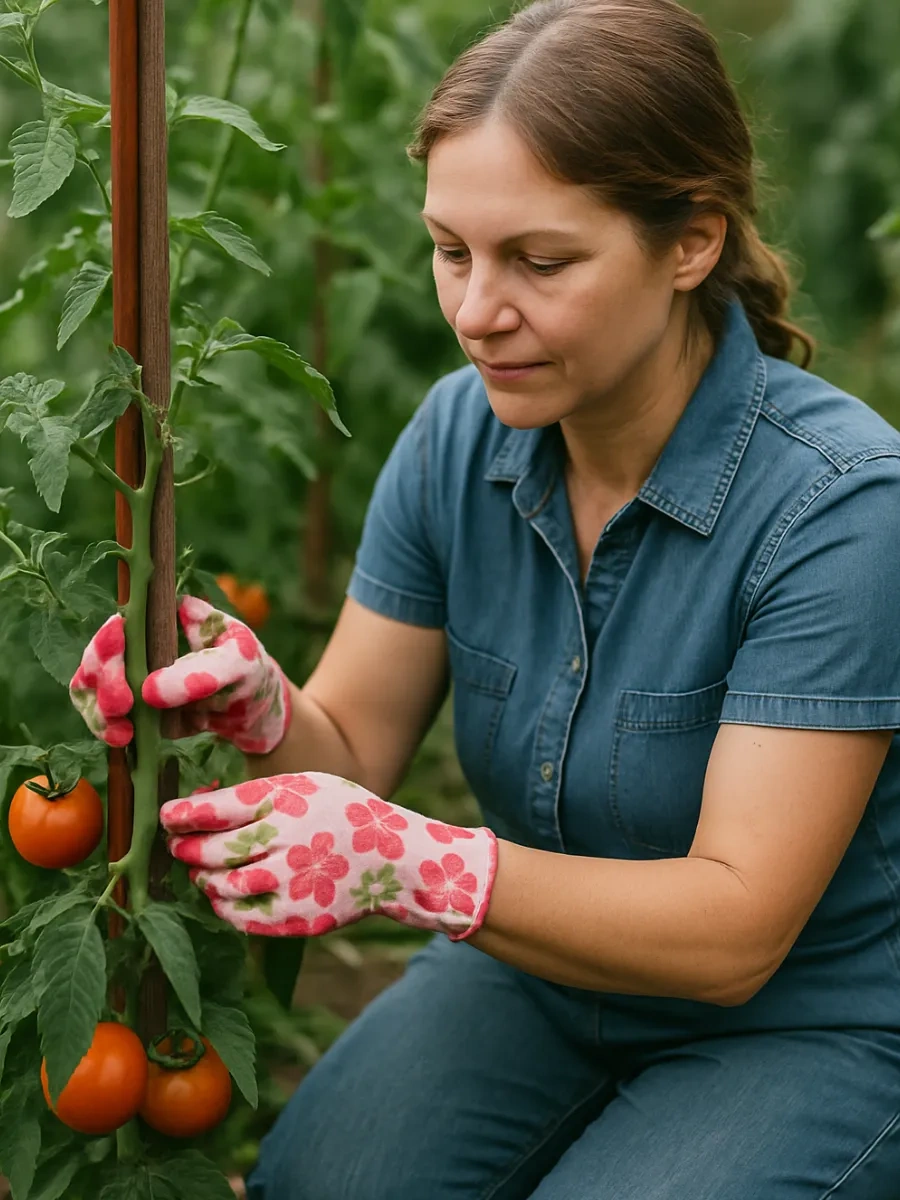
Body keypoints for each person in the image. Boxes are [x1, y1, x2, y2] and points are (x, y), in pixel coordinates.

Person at [69, 0, 900, 1195]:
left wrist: (428, 867)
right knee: (321, 1185)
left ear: (692, 243)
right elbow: (351, 745)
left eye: (540, 262)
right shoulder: (465, 432)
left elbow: (734, 931)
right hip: (543, 976)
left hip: (805, 1019)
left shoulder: (842, 509)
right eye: (452, 250)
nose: (474, 312)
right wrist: (257, 706)